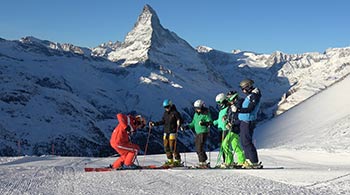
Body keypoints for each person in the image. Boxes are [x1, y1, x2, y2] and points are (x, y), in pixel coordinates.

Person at [231, 79, 262, 169]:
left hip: (248, 121)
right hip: (244, 121)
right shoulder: (251, 95)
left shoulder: (254, 96)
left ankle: (254, 161)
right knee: (244, 142)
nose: (243, 91)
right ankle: (248, 160)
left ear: (248, 87)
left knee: (247, 141)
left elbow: (250, 109)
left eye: (243, 89)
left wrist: (238, 110)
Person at [149, 99, 183, 167]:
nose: (166, 108)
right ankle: (170, 160)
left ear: (170, 105)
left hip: (172, 131)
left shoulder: (175, 113)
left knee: (172, 147)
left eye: (167, 106)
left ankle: (178, 161)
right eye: (165, 107)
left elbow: (180, 120)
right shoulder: (165, 113)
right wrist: (155, 124)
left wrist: (179, 122)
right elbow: (163, 121)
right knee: (166, 147)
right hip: (166, 131)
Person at [185, 99, 213, 168]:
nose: (197, 110)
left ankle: (202, 162)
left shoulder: (206, 113)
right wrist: (187, 127)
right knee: (198, 147)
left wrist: (204, 123)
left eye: (199, 108)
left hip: (203, 132)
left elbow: (210, 122)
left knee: (199, 147)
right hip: (197, 132)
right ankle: (203, 161)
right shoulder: (196, 115)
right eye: (196, 108)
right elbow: (193, 123)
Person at [223, 91, 246, 168]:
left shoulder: (239, 105)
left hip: (235, 128)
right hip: (231, 128)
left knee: (227, 144)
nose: (228, 99)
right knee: (233, 145)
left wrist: (232, 124)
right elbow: (230, 115)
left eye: (229, 98)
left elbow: (240, 118)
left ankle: (237, 161)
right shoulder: (232, 106)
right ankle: (236, 161)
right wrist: (226, 118)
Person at [212, 93, 229, 164]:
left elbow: (229, 117)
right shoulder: (222, 110)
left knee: (225, 146)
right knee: (222, 146)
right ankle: (225, 161)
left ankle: (228, 161)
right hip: (220, 129)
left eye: (220, 103)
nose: (219, 105)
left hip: (225, 129)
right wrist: (211, 123)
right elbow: (219, 120)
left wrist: (226, 119)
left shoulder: (228, 109)